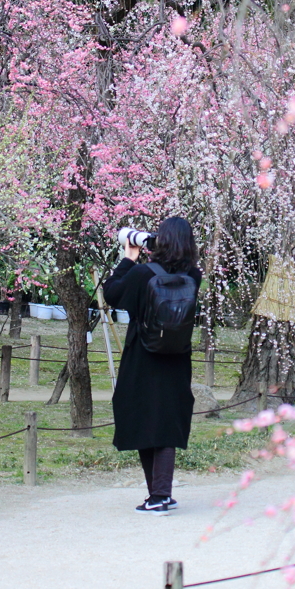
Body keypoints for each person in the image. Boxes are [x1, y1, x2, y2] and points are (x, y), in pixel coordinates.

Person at [104, 216, 201, 513]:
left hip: (143, 356)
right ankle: (159, 494)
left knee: (145, 419)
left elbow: (112, 294)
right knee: (167, 422)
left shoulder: (144, 273)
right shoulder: (194, 276)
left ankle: (159, 496)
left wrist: (129, 257)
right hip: (176, 357)